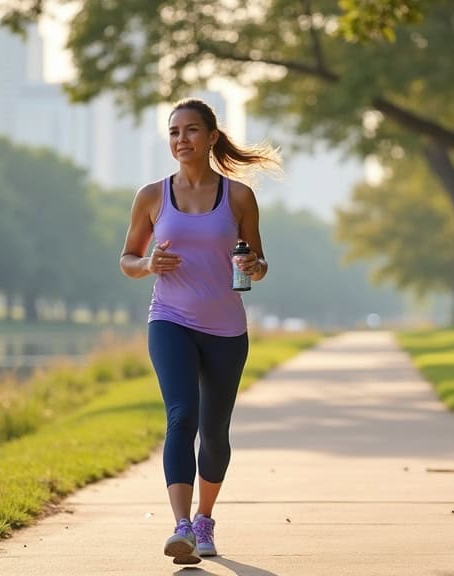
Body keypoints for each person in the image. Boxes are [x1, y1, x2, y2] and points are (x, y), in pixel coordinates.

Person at [119, 97, 278, 565]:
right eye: (173, 132)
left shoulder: (239, 197)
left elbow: (260, 265)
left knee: (214, 430)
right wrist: (147, 264)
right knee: (181, 415)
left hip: (226, 329)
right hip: (169, 319)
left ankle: (206, 519)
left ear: (211, 137)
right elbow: (126, 260)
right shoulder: (151, 196)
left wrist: (253, 263)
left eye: (190, 130)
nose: (180, 139)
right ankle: (182, 526)